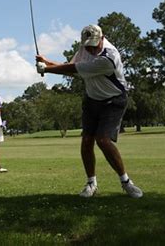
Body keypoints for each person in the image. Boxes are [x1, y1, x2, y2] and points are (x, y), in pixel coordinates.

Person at [35, 24, 143, 198]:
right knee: (86, 141)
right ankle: (91, 183)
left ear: (103, 38)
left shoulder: (109, 57)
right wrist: (47, 62)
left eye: (94, 44)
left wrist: (47, 69)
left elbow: (75, 69)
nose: (91, 49)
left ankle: (126, 182)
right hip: (92, 100)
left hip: (113, 100)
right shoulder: (84, 48)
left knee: (103, 140)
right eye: (88, 45)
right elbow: (72, 68)